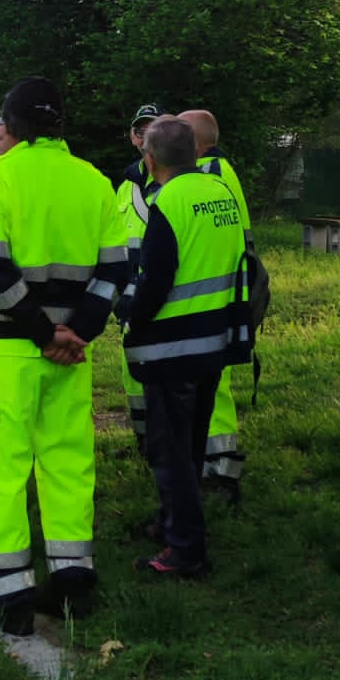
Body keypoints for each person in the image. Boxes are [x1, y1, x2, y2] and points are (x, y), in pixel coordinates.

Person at [0, 76, 129, 634]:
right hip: (73, 355)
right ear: (60, 124)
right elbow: (115, 269)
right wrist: (78, 331)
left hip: (11, 349)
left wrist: (41, 333)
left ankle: (7, 596)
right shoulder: (95, 182)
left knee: (3, 469)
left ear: (11, 125)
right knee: (68, 464)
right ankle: (72, 583)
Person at [125, 117, 250, 578]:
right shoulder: (220, 193)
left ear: (150, 159)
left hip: (171, 349)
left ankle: (185, 550)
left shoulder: (168, 202)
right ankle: (172, 523)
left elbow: (154, 281)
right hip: (214, 342)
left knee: (171, 452)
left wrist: (129, 318)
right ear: (194, 152)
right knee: (191, 444)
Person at [177, 108, 253, 501]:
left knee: (214, 386)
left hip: (213, 300)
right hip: (225, 296)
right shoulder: (220, 171)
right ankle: (214, 465)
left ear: (195, 142)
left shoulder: (208, 175)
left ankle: (220, 470)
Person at [115, 108, 171, 453]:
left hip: (167, 297)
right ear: (133, 137)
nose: (144, 136)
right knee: (132, 372)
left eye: (153, 129)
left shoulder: (177, 183)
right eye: (140, 130)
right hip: (130, 301)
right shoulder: (125, 186)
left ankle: (169, 443)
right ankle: (144, 441)